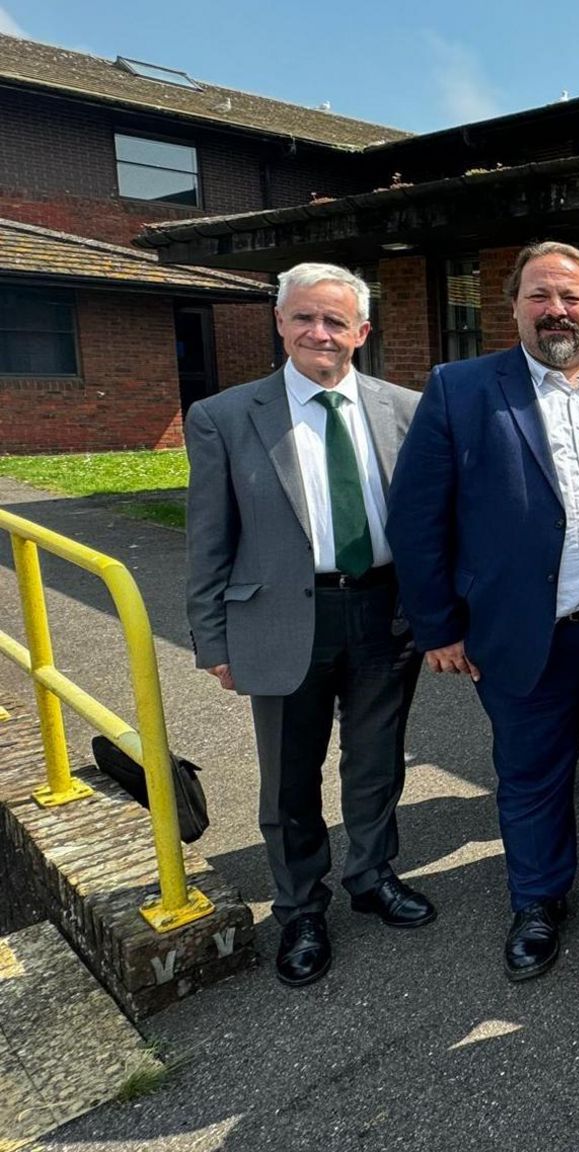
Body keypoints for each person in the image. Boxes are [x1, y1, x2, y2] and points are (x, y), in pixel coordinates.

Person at [387, 241, 579, 982]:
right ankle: (538, 900)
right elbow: (419, 518)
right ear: (514, 305)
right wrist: (438, 626)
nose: (557, 311)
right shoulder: (462, 389)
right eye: (539, 297)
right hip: (524, 633)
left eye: (571, 297)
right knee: (531, 774)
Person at [184, 262, 431, 988]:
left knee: (377, 760)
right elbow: (208, 537)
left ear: (362, 331)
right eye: (304, 318)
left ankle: (372, 874)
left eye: (335, 321)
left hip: (384, 611)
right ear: (281, 323)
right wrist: (212, 638)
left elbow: (424, 522)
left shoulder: (403, 409)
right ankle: (300, 908)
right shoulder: (226, 417)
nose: (319, 333)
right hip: (283, 617)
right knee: (290, 777)